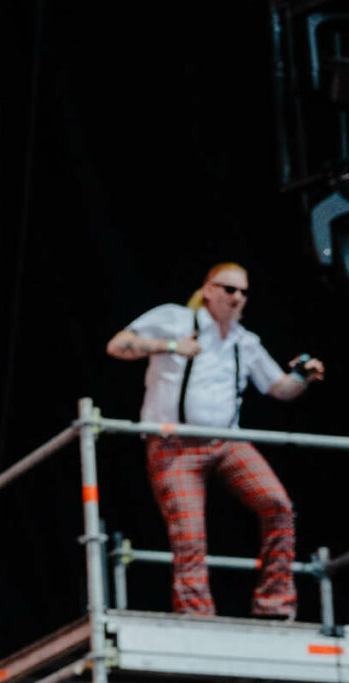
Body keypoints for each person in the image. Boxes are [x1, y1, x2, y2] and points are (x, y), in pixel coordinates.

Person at [107, 262, 324, 619]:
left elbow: (278, 388)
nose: (237, 298)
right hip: (175, 443)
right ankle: (197, 615)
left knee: (278, 505)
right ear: (208, 289)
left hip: (226, 443)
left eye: (243, 292)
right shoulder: (176, 319)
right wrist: (172, 345)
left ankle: (274, 604)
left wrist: (303, 375)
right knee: (189, 531)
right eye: (229, 290)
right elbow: (118, 345)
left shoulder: (244, 340)